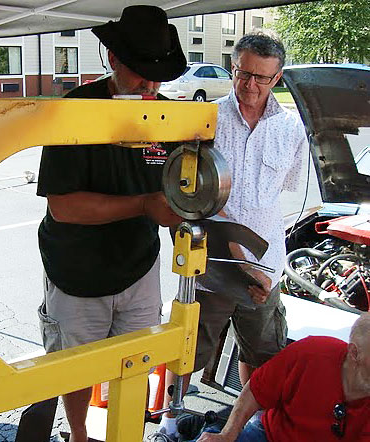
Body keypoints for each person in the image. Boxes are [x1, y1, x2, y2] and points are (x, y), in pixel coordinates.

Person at [36, 6, 186, 442]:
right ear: (113, 59)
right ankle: (79, 434)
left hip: (138, 267)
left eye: (158, 76)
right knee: (77, 366)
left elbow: (180, 188)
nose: (150, 85)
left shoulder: (168, 116)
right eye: (141, 72)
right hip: (76, 271)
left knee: (136, 362)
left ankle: (127, 434)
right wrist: (144, 205)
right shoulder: (77, 110)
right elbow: (64, 207)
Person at [155, 31, 308, 441]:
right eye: (243, 73)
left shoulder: (291, 127)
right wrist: (242, 260)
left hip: (266, 263)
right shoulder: (208, 120)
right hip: (214, 259)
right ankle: (171, 419)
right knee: (189, 347)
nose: (250, 85)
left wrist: (261, 265)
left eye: (262, 77)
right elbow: (194, 196)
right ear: (234, 68)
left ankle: (253, 421)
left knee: (262, 352)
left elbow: (281, 193)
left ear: (277, 78)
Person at [196, 313, 370, 442]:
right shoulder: (313, 352)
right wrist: (227, 435)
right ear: (354, 353)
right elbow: (256, 390)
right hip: (268, 436)